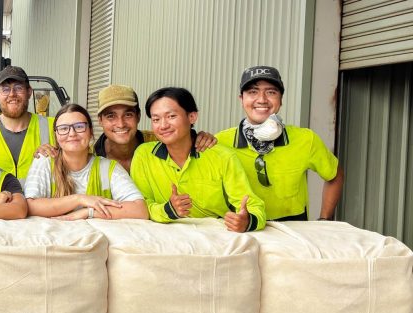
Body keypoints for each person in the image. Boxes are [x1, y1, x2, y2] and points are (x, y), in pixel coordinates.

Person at [215, 65, 344, 221]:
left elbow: (335, 175)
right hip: (241, 230)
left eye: (271, 92)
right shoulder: (219, 142)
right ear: (241, 99)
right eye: (253, 92)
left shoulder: (306, 139)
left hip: (291, 231)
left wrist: (325, 219)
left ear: (281, 99)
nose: (262, 99)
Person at [130, 87, 267, 232]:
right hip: (162, 234)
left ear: (192, 117)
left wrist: (247, 221)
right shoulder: (144, 155)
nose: (163, 125)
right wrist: (168, 210)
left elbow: (252, 205)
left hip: (214, 234)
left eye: (171, 116)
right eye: (156, 119)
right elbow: (140, 205)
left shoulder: (222, 156)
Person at [37, 84, 217, 173]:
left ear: (138, 116)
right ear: (100, 121)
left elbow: (181, 137)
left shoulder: (158, 141)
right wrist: (47, 151)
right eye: (111, 116)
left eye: (128, 114)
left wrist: (197, 137)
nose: (121, 123)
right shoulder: (87, 154)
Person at [24, 103, 148, 220]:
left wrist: (89, 212)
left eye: (79, 127)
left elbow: (140, 210)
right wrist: (79, 199)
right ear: (56, 134)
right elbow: (30, 206)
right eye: (63, 128)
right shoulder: (44, 161)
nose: (72, 133)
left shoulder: (108, 168)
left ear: (91, 132)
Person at [0, 65, 55, 183]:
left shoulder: (54, 127)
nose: (12, 94)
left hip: (43, 196)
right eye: (5, 89)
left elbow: (79, 158)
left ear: (29, 92)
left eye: (18, 88)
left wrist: (57, 155)